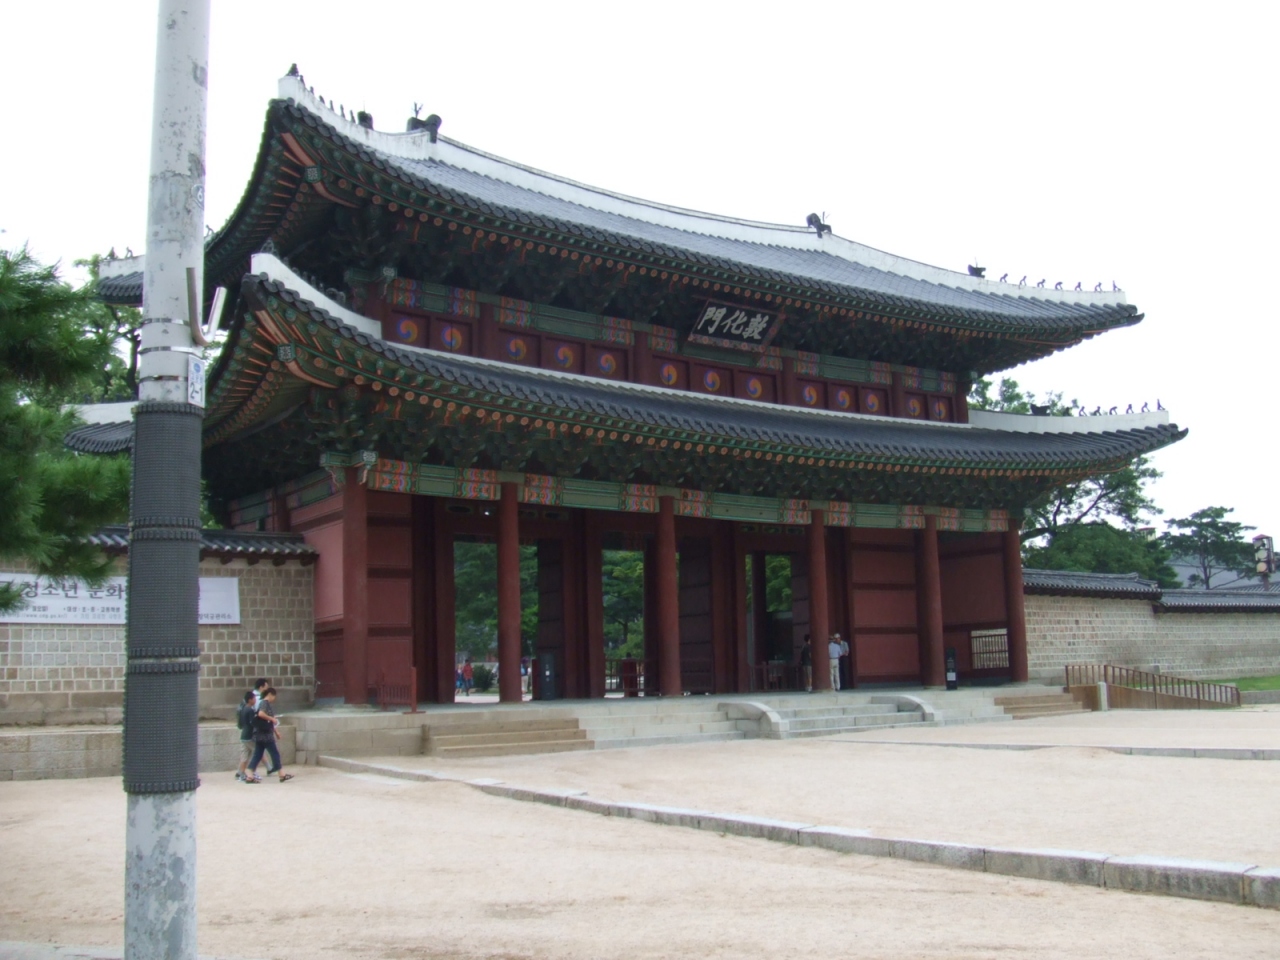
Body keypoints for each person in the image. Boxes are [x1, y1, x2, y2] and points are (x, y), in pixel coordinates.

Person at [246, 687, 292, 783]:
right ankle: (281, 774)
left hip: (261, 734)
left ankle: (249, 774)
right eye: (274, 696)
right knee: (274, 753)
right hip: (265, 734)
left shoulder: (264, 703)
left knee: (258, 755)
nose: (274, 699)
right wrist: (272, 719)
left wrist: (276, 731)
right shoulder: (264, 703)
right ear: (270, 694)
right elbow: (261, 714)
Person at [235, 689, 257, 782]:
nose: (255, 700)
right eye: (254, 698)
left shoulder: (243, 709)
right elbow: (253, 723)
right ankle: (250, 772)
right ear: (250, 700)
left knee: (244, 756)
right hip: (249, 736)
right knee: (257, 753)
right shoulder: (250, 710)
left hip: (243, 735)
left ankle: (240, 773)